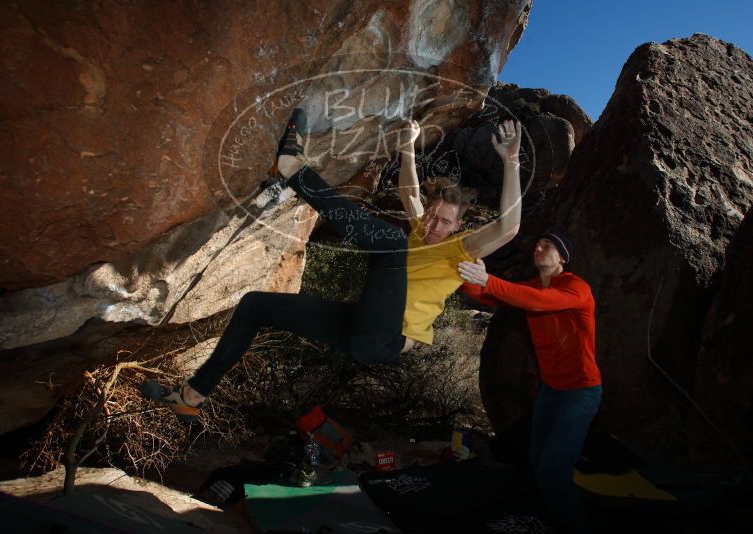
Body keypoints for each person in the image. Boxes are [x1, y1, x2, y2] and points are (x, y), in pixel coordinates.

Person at [141, 108, 523, 423]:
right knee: (255, 305)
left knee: (389, 244)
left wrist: (511, 161)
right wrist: (407, 145)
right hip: (357, 327)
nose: (433, 225)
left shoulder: (461, 247)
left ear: (459, 225)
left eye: (444, 222)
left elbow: (509, 226)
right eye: (433, 216)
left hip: (384, 341)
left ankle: (292, 168)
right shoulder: (421, 230)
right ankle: (191, 395)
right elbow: (409, 193)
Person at [458, 234, 601, 533]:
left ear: (562, 257)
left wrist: (487, 278)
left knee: (553, 470)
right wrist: (463, 273)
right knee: (537, 460)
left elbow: (538, 302)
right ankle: (552, 516)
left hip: (581, 393)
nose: (538, 248)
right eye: (536, 244)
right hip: (550, 390)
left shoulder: (576, 287)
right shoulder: (531, 286)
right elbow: (489, 296)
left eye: (546, 246)